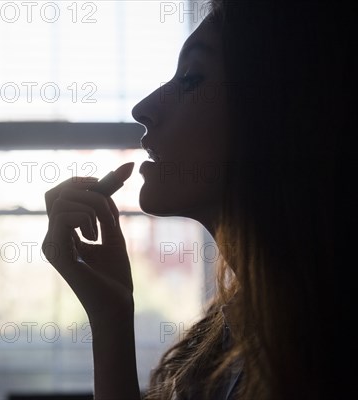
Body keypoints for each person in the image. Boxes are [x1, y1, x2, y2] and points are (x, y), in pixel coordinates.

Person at [42, 1, 345, 399]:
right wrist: (110, 317)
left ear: (276, 114)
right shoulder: (230, 336)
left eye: (190, 79)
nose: (142, 109)